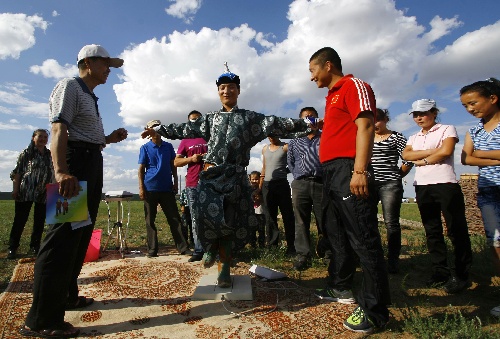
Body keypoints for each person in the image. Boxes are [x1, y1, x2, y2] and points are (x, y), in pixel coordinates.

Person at [141, 64, 310, 288]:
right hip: (210, 177)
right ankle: (210, 249)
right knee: (203, 217)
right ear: (218, 92)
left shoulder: (250, 119)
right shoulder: (209, 119)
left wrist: (310, 123)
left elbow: (278, 123)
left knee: (230, 222)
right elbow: (183, 129)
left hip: (235, 178)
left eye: (231, 87)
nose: (226, 91)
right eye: (222, 87)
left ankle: (225, 268)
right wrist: (159, 130)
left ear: (238, 91)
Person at [20, 44, 128, 338]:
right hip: (73, 165)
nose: (109, 70)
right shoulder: (69, 86)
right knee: (61, 237)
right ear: (89, 62)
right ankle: (41, 319)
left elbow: (84, 135)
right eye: (106, 64)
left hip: (90, 161)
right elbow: (58, 130)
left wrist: (108, 139)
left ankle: (66, 295)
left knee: (79, 234)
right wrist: (61, 172)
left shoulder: (90, 96)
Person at [308, 47, 391, 334]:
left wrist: (359, 171)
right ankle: (341, 286)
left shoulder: (354, 85)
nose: (311, 77)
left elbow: (366, 126)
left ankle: (375, 310)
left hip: (348, 169)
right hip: (329, 172)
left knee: (363, 237)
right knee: (335, 232)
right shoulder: (331, 97)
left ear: (328, 65)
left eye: (313, 70)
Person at [402, 99, 472, 294]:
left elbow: (447, 150)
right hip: (422, 186)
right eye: (415, 114)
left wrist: (421, 159)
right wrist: (434, 152)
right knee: (432, 230)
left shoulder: (447, 129)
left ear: (434, 112)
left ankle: (461, 274)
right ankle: (440, 271)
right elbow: (407, 155)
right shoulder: (414, 136)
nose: (419, 118)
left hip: (445, 183)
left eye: (422, 113)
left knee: (455, 229)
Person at [460, 78, 500, 317]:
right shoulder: (474, 130)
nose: (470, 109)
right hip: (488, 190)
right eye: (465, 106)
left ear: (493, 98)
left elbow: (475, 155)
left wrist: (481, 153)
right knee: (496, 244)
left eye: (473, 103)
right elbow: (467, 159)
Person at [138, 119, 191, 258]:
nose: (156, 129)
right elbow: (141, 169)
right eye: (153, 127)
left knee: (174, 218)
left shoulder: (168, 147)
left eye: (158, 126)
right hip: (150, 188)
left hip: (167, 188)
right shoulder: (144, 148)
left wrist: (175, 182)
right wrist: (141, 188)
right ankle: (152, 250)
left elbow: (173, 165)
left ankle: (183, 247)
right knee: (150, 220)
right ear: (148, 130)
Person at [371, 108, 413, 273]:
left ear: (385, 119)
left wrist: (398, 175)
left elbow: (408, 159)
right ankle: (374, 256)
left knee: (391, 223)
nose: (374, 125)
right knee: (369, 220)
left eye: (377, 120)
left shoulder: (397, 137)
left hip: (390, 184)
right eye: (371, 121)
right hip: (369, 183)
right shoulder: (365, 137)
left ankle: (393, 259)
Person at [287, 107, 324, 271]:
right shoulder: (294, 140)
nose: (309, 119)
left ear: (318, 119)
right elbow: (290, 161)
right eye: (306, 117)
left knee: (324, 219)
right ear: (301, 121)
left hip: (322, 183)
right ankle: (303, 255)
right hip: (300, 184)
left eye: (312, 117)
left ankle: (327, 253)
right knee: (301, 221)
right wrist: (297, 176)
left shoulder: (325, 136)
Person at [8, 129, 53, 260]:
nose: (43, 139)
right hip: (26, 190)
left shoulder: (49, 154)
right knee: (20, 220)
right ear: (33, 137)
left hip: (43, 192)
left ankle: (35, 246)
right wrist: (15, 189)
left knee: (39, 221)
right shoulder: (26, 153)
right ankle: (13, 247)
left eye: (45, 137)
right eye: (40, 137)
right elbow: (17, 172)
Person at [174, 110, 208, 262]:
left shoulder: (210, 137)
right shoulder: (185, 141)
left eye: (198, 119)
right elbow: (176, 162)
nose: (195, 122)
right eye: (192, 120)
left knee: (212, 217)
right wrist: (191, 159)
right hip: (192, 184)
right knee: (195, 218)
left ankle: (212, 249)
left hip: (210, 183)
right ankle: (199, 250)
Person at [259, 135, 296, 254]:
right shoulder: (265, 148)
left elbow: (294, 162)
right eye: (269, 135)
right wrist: (259, 188)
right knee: (270, 216)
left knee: (287, 215)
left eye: (273, 134)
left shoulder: (285, 147)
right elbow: (264, 169)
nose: (271, 137)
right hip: (267, 185)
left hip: (281, 184)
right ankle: (272, 246)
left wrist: (285, 170)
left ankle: (291, 247)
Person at [249, 171, 266, 248]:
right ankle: (253, 244)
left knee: (261, 230)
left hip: (261, 213)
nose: (254, 181)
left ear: (260, 179)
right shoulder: (249, 190)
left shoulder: (262, 189)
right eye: (252, 179)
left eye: (256, 179)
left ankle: (261, 244)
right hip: (252, 213)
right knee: (252, 230)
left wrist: (260, 198)